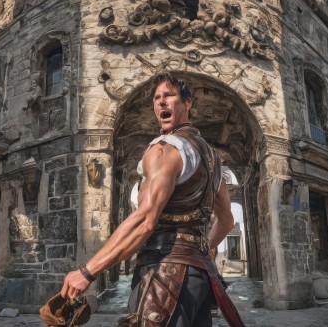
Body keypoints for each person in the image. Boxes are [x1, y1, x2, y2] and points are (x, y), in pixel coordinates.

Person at [60, 73, 236, 326]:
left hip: (165, 276)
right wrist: (205, 246)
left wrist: (88, 272)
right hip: (200, 277)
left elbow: (145, 220)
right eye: (157, 98)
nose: (161, 103)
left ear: (188, 103)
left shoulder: (166, 148)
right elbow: (227, 221)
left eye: (170, 95)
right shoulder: (214, 161)